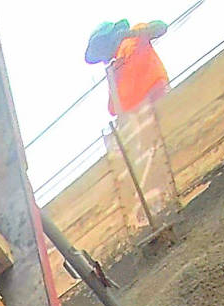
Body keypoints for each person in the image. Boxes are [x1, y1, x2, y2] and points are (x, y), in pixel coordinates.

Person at [83, 20, 179, 233]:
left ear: (109, 38)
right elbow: (113, 108)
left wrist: (132, 33)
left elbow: (160, 27)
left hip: (157, 104)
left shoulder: (134, 38)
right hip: (137, 125)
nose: (102, 57)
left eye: (101, 48)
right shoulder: (113, 70)